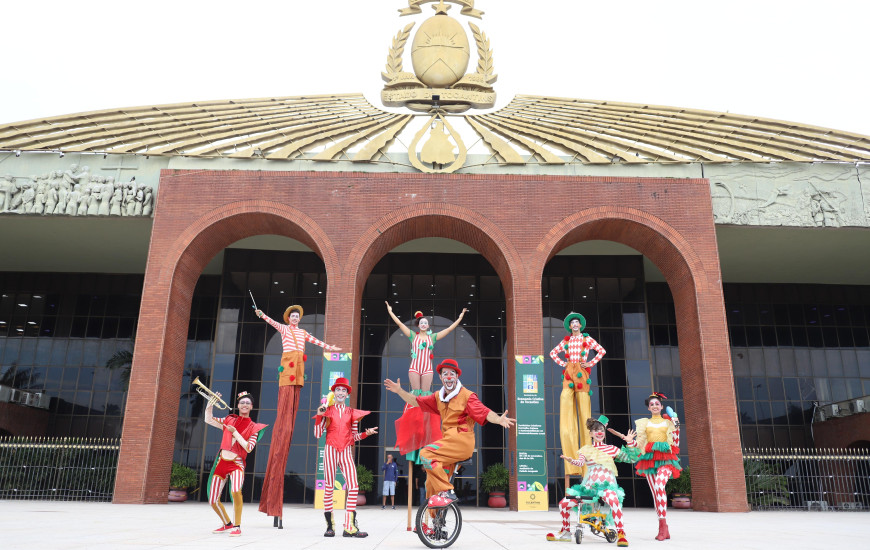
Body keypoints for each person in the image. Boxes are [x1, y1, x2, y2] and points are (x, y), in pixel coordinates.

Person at [384, 358, 515, 510]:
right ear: (440, 377)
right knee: (430, 483)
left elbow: (484, 411)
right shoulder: (438, 397)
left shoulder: (467, 396)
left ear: (457, 376)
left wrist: (498, 419)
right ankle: (434, 522)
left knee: (426, 454)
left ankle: (447, 491)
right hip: (447, 444)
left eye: (452, 373)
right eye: (445, 374)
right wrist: (399, 391)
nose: (448, 377)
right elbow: (416, 401)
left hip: (462, 442)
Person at [255, 304, 342, 525]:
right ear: (288, 318)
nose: (295, 318)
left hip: (298, 369)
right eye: (292, 316)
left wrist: (330, 347)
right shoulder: (284, 329)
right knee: (284, 412)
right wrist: (261, 314)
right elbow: (271, 322)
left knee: (295, 392)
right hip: (288, 367)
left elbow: (316, 341)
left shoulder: (303, 333)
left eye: (297, 316)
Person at [551, 416, 639, 546]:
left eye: (602, 430)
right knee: (563, 504)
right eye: (596, 430)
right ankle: (565, 532)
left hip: (607, 486)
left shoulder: (612, 449)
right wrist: (571, 460)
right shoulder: (586, 449)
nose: (599, 433)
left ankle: (621, 534)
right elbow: (580, 463)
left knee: (614, 501)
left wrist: (630, 442)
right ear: (591, 434)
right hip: (589, 488)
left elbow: (631, 459)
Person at [314, 377, 377, 538]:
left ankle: (349, 527)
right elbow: (317, 434)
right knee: (329, 487)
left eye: (344, 390)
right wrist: (320, 415)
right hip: (330, 449)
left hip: (346, 451)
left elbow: (354, 436)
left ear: (347, 394)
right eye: (338, 390)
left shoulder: (352, 413)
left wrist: (366, 434)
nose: (341, 392)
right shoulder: (327, 410)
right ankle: (330, 527)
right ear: (333, 393)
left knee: (354, 486)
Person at [204, 391, 268, 537]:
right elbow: (208, 419)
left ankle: (237, 526)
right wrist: (210, 403)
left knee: (236, 491)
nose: (244, 405)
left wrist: (235, 433)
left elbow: (249, 448)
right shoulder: (228, 420)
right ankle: (227, 523)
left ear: (251, 406)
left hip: (236, 464)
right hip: (221, 462)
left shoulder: (254, 427)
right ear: (238, 405)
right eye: (242, 402)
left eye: (247, 403)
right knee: (213, 499)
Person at [550, 312, 606, 475]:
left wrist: (590, 363)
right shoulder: (567, 340)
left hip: (582, 372)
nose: (574, 325)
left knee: (584, 414)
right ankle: (572, 465)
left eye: (576, 322)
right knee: (565, 404)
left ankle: (587, 465)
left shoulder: (586, 339)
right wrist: (564, 364)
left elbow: (601, 351)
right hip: (569, 373)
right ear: (570, 326)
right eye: (572, 323)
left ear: (580, 325)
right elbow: (553, 353)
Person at [385, 302, 467, 392]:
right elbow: (400, 324)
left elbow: (448, 329)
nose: (423, 324)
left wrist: (460, 318)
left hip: (427, 369)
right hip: (414, 368)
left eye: (425, 323)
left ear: (428, 326)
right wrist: (390, 312)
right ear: (418, 325)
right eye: (421, 323)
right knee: (415, 393)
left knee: (425, 394)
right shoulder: (413, 336)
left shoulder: (432, 337)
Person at [634, 392, 682, 541]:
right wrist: (629, 442)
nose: (654, 406)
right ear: (648, 408)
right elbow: (640, 443)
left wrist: (676, 425)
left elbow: (676, 442)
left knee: (659, 485)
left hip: (666, 458)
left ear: (661, 406)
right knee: (656, 494)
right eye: (651, 404)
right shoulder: (644, 423)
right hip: (649, 459)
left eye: (657, 404)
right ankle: (663, 526)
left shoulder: (668, 422)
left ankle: (663, 527)